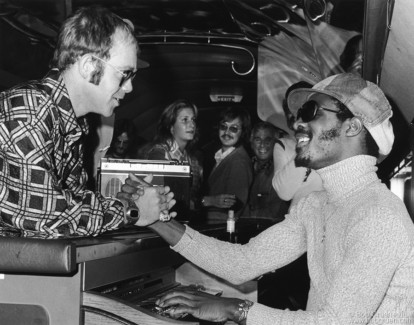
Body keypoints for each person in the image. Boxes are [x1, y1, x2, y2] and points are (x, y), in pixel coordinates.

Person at [122, 73, 414, 324]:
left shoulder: (379, 215)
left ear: (352, 126)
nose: (297, 122)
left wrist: (235, 309)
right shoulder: (315, 206)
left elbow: (333, 322)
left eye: (311, 111)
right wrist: (157, 219)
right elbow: (241, 263)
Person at [0, 6, 175, 238]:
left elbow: (73, 201)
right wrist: (131, 211)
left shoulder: (73, 122)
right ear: (89, 66)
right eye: (124, 74)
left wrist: (122, 201)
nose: (130, 87)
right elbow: (48, 217)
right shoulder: (29, 111)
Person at [145, 99, 203, 214]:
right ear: (171, 127)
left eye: (193, 120)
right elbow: (158, 196)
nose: (192, 125)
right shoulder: (159, 153)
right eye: (185, 120)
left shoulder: (192, 159)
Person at [273, 81, 323, 209]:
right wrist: (304, 145)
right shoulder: (284, 145)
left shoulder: (330, 140)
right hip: (298, 221)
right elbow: (284, 192)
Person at [200, 107, 253, 224]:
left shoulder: (239, 161)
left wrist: (205, 202)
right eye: (224, 127)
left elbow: (233, 207)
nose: (227, 132)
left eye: (234, 129)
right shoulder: (222, 155)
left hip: (222, 229)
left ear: (243, 132)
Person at [242, 121, 288, 225]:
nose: (262, 145)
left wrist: (240, 216)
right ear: (251, 141)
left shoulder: (280, 172)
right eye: (258, 140)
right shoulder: (245, 165)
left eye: (268, 140)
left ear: (275, 142)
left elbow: (273, 214)